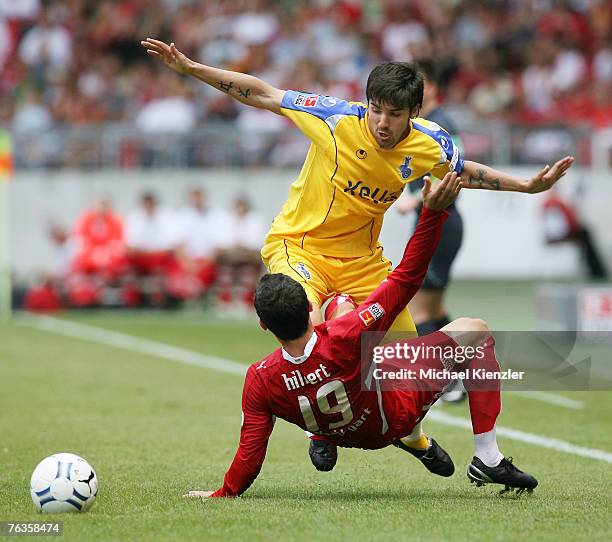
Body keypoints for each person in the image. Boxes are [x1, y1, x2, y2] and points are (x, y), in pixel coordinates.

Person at [141, 37, 573, 471]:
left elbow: (462, 172)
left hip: (364, 262)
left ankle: (423, 440)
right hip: (300, 247)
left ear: (415, 114)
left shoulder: (431, 144)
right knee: (309, 332)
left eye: (394, 114)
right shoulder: (333, 118)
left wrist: (525, 186)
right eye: (376, 109)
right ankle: (320, 430)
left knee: (408, 370)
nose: (382, 122)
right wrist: (192, 68)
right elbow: (264, 92)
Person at [183, 172, 537, 499]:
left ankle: (324, 436)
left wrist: (223, 493)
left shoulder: (259, 378)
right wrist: (432, 213)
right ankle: (487, 457)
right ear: (308, 309)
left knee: (340, 303)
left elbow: (250, 452)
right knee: (475, 330)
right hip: (390, 415)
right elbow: (408, 276)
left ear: (264, 325)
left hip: (342, 428)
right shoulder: (344, 336)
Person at [395, 59, 466, 403]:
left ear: (432, 90)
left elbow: (458, 169)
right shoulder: (422, 125)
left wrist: (412, 202)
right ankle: (464, 375)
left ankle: (444, 384)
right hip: (440, 223)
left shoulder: (441, 124)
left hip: (440, 221)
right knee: (435, 310)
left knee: (418, 312)